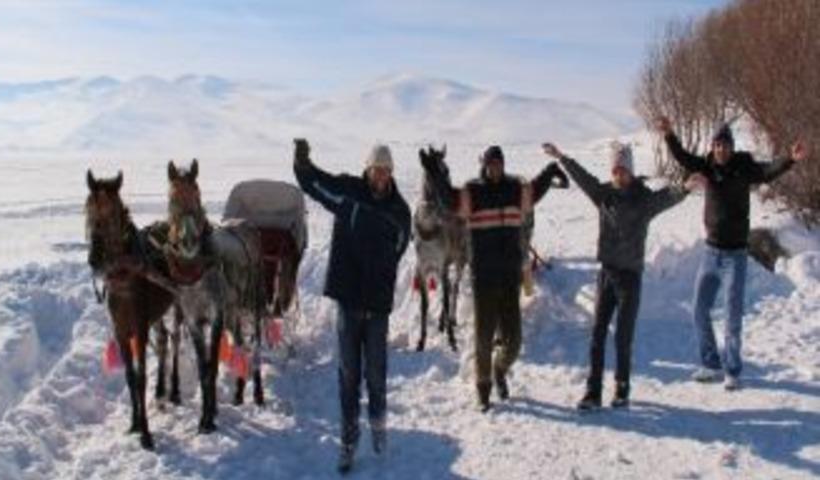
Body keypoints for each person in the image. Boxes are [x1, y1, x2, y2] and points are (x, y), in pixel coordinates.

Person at [544, 141, 697, 410]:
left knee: (623, 337)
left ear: (631, 171)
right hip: (607, 273)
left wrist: (685, 188)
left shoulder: (643, 199)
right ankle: (593, 391)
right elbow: (583, 178)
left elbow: (666, 197)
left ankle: (622, 388)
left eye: (623, 170)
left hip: (630, 277)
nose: (619, 175)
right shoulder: (604, 195)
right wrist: (562, 158)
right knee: (598, 334)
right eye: (615, 170)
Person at [656, 118, 807, 390]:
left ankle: (733, 370)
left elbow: (767, 170)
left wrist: (790, 160)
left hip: (736, 255)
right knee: (700, 309)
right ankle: (710, 363)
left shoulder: (743, 167)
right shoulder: (707, 166)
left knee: (732, 315)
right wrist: (669, 135)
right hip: (710, 252)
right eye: (716, 145)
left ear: (731, 146)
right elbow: (683, 158)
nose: (720, 150)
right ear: (712, 147)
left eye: (724, 145)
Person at [292, 139, 411, 474]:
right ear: (368, 169)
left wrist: (381, 273)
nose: (381, 175)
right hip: (348, 301)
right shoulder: (349, 192)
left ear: (391, 173)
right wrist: (302, 164)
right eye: (376, 169)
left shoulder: (399, 211)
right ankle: (347, 442)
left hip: (377, 307)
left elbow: (401, 245)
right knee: (348, 376)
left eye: (386, 170)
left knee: (375, 374)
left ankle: (378, 425)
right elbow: (317, 185)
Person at [423, 144, 569, 412]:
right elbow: (449, 201)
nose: (495, 168)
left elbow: (534, 191)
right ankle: (483, 388)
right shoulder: (474, 192)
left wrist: (550, 172)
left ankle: (500, 368)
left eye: (499, 163)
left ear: (503, 164)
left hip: (509, 275)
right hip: (484, 276)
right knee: (483, 336)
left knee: (513, 342)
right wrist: (435, 174)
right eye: (491, 164)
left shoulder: (514, 189)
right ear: (485, 166)